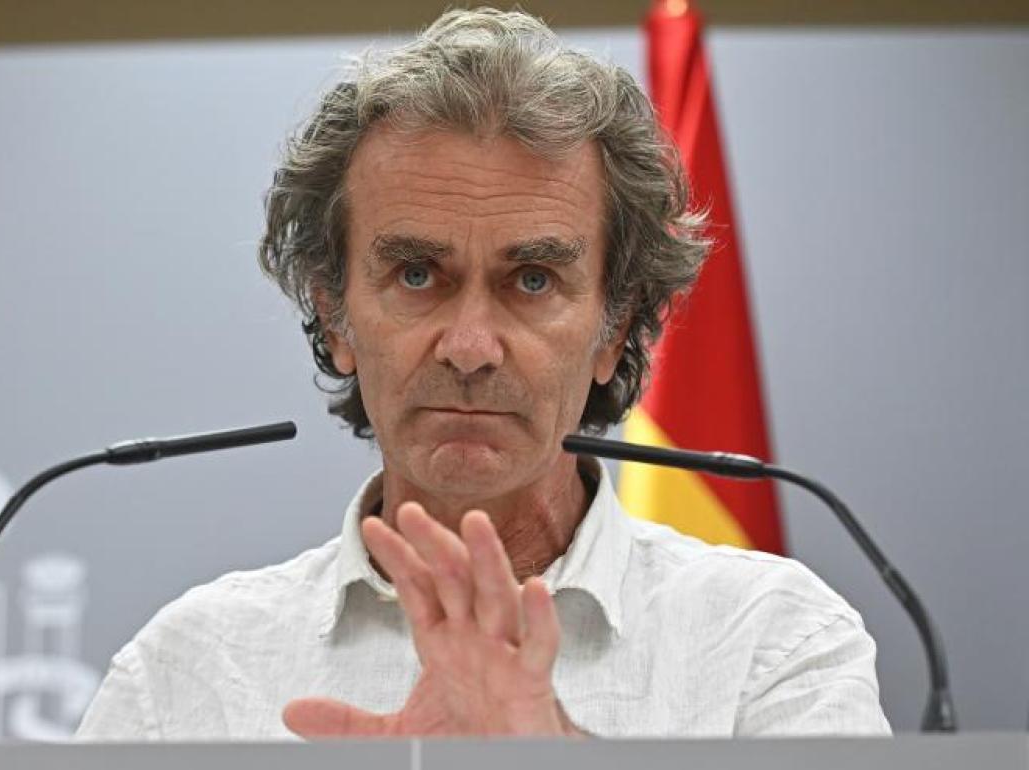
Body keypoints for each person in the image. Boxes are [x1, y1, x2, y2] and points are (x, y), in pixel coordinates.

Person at [77, 8, 890, 739]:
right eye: (417, 275)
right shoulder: (186, 671)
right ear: (334, 316)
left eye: (532, 280)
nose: (470, 347)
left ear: (616, 328)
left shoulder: (772, 641)